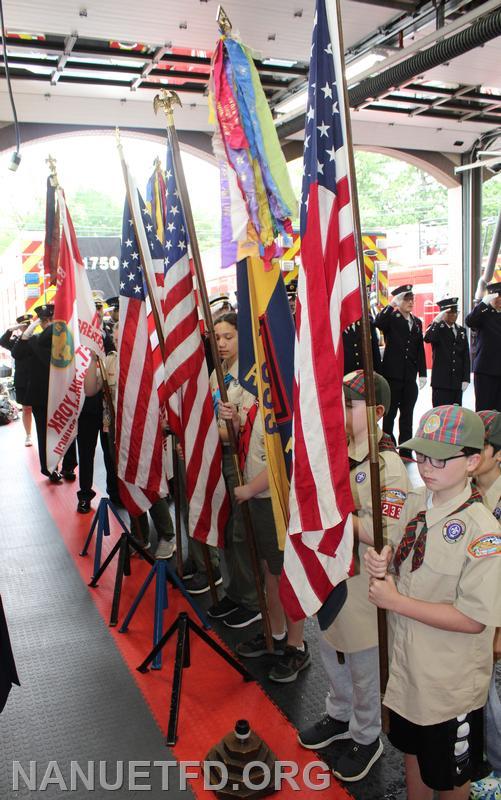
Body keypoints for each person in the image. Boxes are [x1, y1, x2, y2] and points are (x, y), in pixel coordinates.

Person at [365, 405, 501, 800]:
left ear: (473, 461)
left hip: (448, 685)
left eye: (440, 458)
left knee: (450, 776)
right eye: (421, 455)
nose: (426, 466)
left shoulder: (483, 533)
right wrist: (385, 554)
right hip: (409, 672)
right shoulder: (419, 500)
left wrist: (395, 601)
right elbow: (401, 543)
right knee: (413, 753)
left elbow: (474, 620)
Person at [298, 370, 409, 782]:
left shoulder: (386, 467)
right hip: (331, 578)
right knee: (331, 647)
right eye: (339, 403)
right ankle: (337, 713)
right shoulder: (336, 453)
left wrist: (338, 514)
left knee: (364, 663)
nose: (341, 411)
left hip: (363, 584)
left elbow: (388, 534)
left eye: (351, 405)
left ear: (378, 412)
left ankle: (367, 733)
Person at [221, 396, 310, 683]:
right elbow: (249, 443)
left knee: (287, 575)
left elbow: (284, 459)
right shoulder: (254, 396)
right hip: (259, 501)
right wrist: (234, 423)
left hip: (275, 501)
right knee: (269, 573)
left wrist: (249, 489)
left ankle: (297, 646)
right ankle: (275, 633)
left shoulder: (285, 402)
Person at [84, 331, 175, 560]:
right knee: (126, 483)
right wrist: (93, 360)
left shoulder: (147, 359)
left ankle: (167, 534)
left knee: (147, 481)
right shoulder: (110, 361)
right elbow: (89, 390)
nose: (118, 334)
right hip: (115, 433)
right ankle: (140, 534)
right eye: (115, 331)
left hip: (142, 432)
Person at [201, 311, 261, 628]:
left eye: (229, 337)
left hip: (239, 459)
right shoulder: (219, 372)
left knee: (242, 531)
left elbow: (242, 428)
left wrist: (206, 434)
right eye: (217, 337)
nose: (221, 344)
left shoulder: (249, 376)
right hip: (219, 455)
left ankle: (253, 599)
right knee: (226, 527)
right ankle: (235, 591)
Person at [469, 410, 501, 799]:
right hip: (475, 612)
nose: (470, 455)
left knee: (495, 702)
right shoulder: (467, 489)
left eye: (480, 448)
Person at [11, 304, 76, 483]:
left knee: (67, 430)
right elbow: (16, 352)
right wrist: (30, 328)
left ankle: (68, 467)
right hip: (42, 396)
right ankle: (51, 469)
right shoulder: (34, 341)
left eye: (50, 320)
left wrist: (32, 328)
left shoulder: (64, 339)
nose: (49, 325)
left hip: (61, 393)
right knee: (46, 434)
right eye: (45, 321)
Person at [375, 284, 427, 459]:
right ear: (399, 300)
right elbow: (378, 322)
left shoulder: (417, 322)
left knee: (407, 415)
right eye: (406, 298)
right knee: (389, 415)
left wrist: (423, 373)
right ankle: (388, 447)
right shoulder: (392, 318)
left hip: (409, 376)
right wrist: (391, 305)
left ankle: (405, 450)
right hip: (393, 375)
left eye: (412, 299)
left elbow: (419, 349)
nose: (411, 302)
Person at [424, 297, 470, 407]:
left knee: (455, 415)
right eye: (450, 313)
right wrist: (436, 321)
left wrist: (465, 378)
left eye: (455, 312)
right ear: (443, 313)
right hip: (441, 382)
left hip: (457, 382)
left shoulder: (461, 330)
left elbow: (465, 356)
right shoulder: (437, 328)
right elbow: (427, 338)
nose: (454, 315)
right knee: (440, 414)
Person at [465, 281, 501, 411]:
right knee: (484, 409)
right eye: (498, 296)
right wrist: (483, 304)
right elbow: (469, 321)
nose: (500, 300)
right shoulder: (484, 313)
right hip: (486, 370)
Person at [0, 314, 34, 445]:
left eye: (27, 325)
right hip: (23, 380)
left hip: (37, 379)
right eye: (23, 326)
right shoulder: (15, 341)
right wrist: (11, 329)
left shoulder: (38, 338)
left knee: (42, 409)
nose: (26, 328)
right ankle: (28, 435)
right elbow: (2, 341)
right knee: (26, 409)